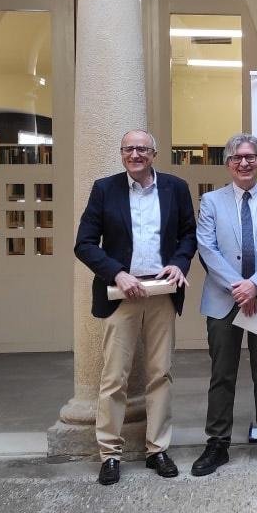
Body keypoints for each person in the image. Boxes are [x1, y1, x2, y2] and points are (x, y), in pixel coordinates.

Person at [75, 129, 196, 486]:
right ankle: (110, 454)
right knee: (115, 377)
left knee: (161, 374)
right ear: (121, 153)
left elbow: (189, 234)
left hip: (161, 292)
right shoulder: (104, 189)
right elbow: (83, 243)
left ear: (154, 153)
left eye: (142, 148)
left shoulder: (175, 187)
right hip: (122, 294)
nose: (135, 154)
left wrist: (179, 262)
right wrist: (117, 273)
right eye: (128, 148)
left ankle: (157, 449)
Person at [191, 133, 257, 475]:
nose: (244, 162)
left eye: (250, 157)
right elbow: (207, 248)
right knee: (222, 375)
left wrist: (255, 285)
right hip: (224, 300)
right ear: (228, 164)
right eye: (236, 157)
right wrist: (239, 287)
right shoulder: (211, 201)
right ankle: (217, 444)